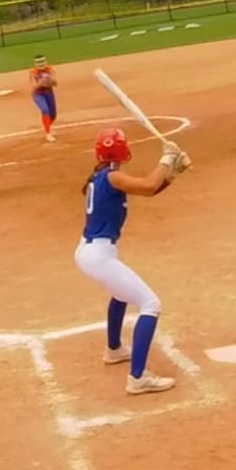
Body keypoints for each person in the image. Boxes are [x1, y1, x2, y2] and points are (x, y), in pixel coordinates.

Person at [75, 127, 190, 395]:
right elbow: (148, 186)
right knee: (151, 304)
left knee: (121, 293)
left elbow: (151, 189)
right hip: (98, 255)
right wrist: (166, 158)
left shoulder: (101, 176)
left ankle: (114, 349)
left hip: (91, 252)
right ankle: (137, 379)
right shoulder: (113, 176)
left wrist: (173, 173)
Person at [28, 56, 59, 141]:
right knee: (45, 110)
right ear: (35, 64)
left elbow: (55, 83)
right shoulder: (33, 73)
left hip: (49, 93)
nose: (41, 64)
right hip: (38, 95)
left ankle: (49, 126)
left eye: (42, 62)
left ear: (46, 62)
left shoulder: (50, 70)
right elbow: (34, 88)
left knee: (53, 115)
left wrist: (50, 80)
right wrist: (41, 83)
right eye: (38, 62)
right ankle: (48, 133)